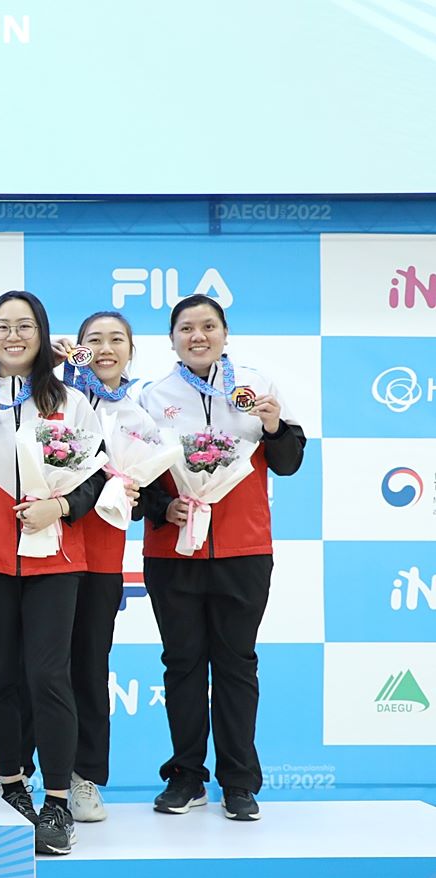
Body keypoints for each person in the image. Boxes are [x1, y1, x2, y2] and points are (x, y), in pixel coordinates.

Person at [0, 290, 107, 855]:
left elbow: (98, 475)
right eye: (2, 326)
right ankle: (12, 786)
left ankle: (57, 802)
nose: (13, 336)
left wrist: (61, 507)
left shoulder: (72, 402)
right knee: (0, 675)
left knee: (50, 677)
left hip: (55, 555)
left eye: (24, 326)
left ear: (41, 334)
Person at [137, 293, 304, 822]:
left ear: (226, 334)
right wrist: (165, 509)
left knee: (236, 664)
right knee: (182, 663)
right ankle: (186, 776)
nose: (198, 336)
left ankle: (239, 782)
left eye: (209, 326)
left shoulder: (258, 387)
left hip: (243, 549)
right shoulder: (151, 396)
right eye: (186, 328)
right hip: (173, 551)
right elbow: (133, 478)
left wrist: (275, 427)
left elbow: (290, 461)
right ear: (172, 339)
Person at [46, 311, 152, 822]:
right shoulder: (51, 394)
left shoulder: (143, 409)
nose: (105, 348)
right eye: (93, 340)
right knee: (41, 666)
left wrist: (143, 492)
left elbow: (159, 480)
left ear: (131, 349)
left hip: (104, 551)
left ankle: (84, 776)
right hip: (50, 544)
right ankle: (29, 773)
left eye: (116, 340)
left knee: (88, 664)